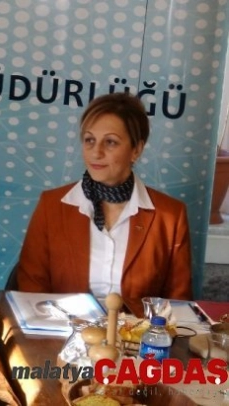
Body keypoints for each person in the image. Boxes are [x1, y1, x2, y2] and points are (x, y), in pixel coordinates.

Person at [16, 92, 192, 305]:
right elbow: (32, 292)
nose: (96, 152)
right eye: (89, 140)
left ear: (136, 150)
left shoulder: (171, 216)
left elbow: (177, 305)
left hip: (138, 327)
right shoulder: (51, 206)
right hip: (62, 326)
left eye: (110, 142)